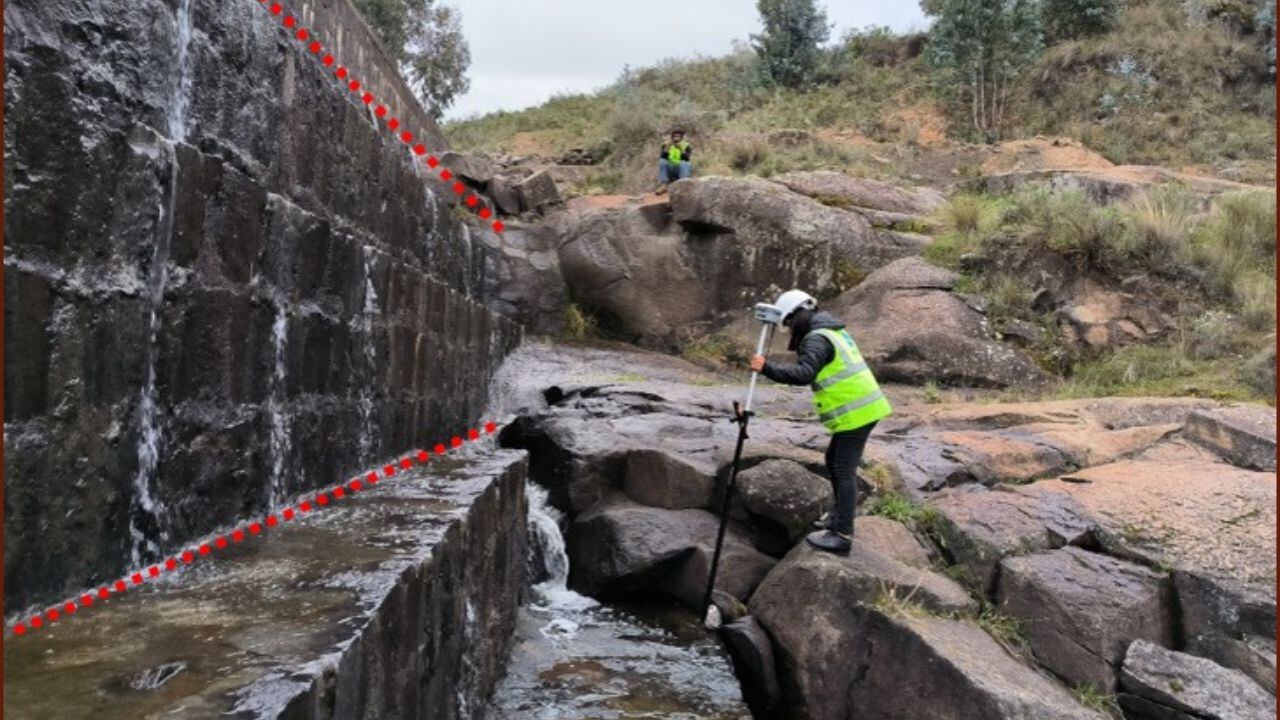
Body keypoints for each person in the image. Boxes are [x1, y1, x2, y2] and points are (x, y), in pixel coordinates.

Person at [748, 289, 892, 555]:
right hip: (862, 409)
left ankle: (842, 535)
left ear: (794, 317)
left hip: (857, 412)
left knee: (843, 469)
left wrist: (766, 368)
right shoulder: (831, 331)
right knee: (833, 460)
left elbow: (804, 374)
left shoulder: (817, 339)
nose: (789, 329)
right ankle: (836, 518)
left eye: (788, 323)